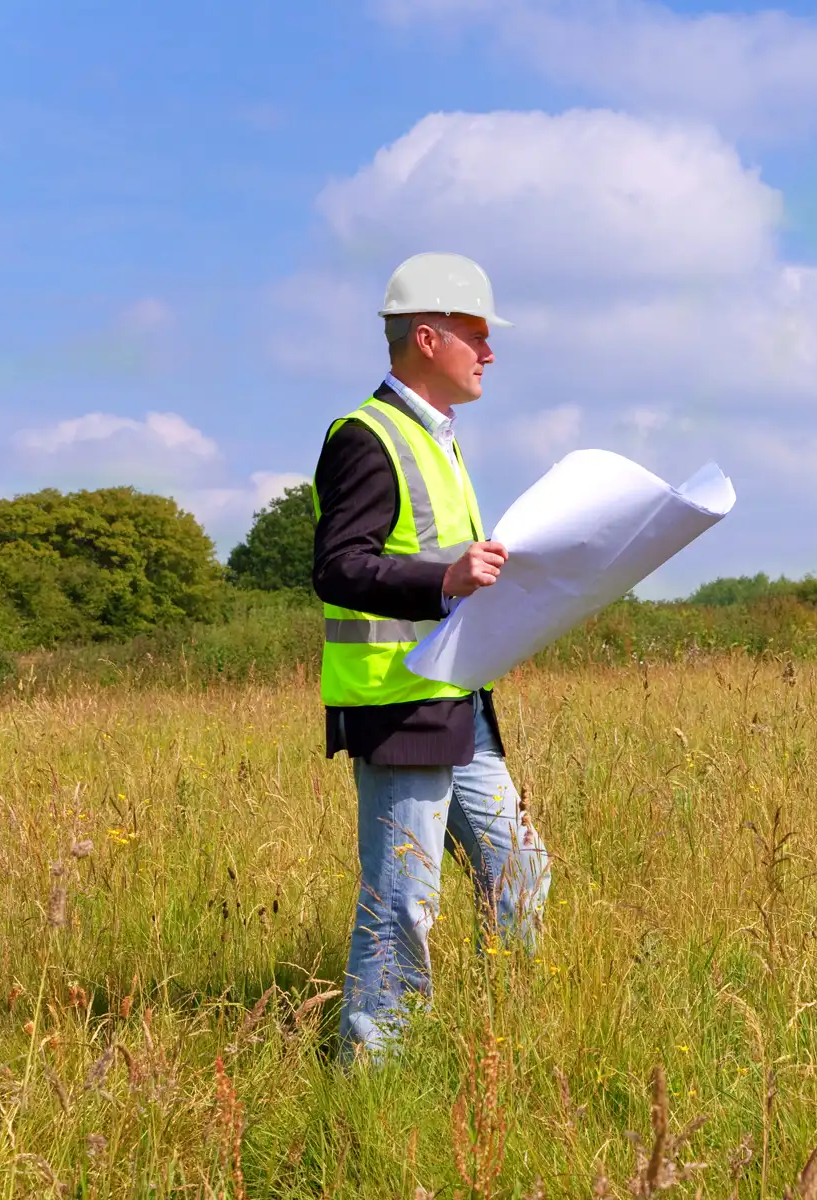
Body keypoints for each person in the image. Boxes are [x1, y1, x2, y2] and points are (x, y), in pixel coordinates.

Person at [311, 251, 552, 1058]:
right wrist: (443, 578)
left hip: (460, 704)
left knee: (521, 872)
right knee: (402, 902)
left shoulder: (439, 440)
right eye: (477, 335)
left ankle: (507, 1044)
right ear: (427, 336)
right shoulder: (366, 436)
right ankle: (373, 1076)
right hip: (399, 705)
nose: (490, 353)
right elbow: (338, 565)